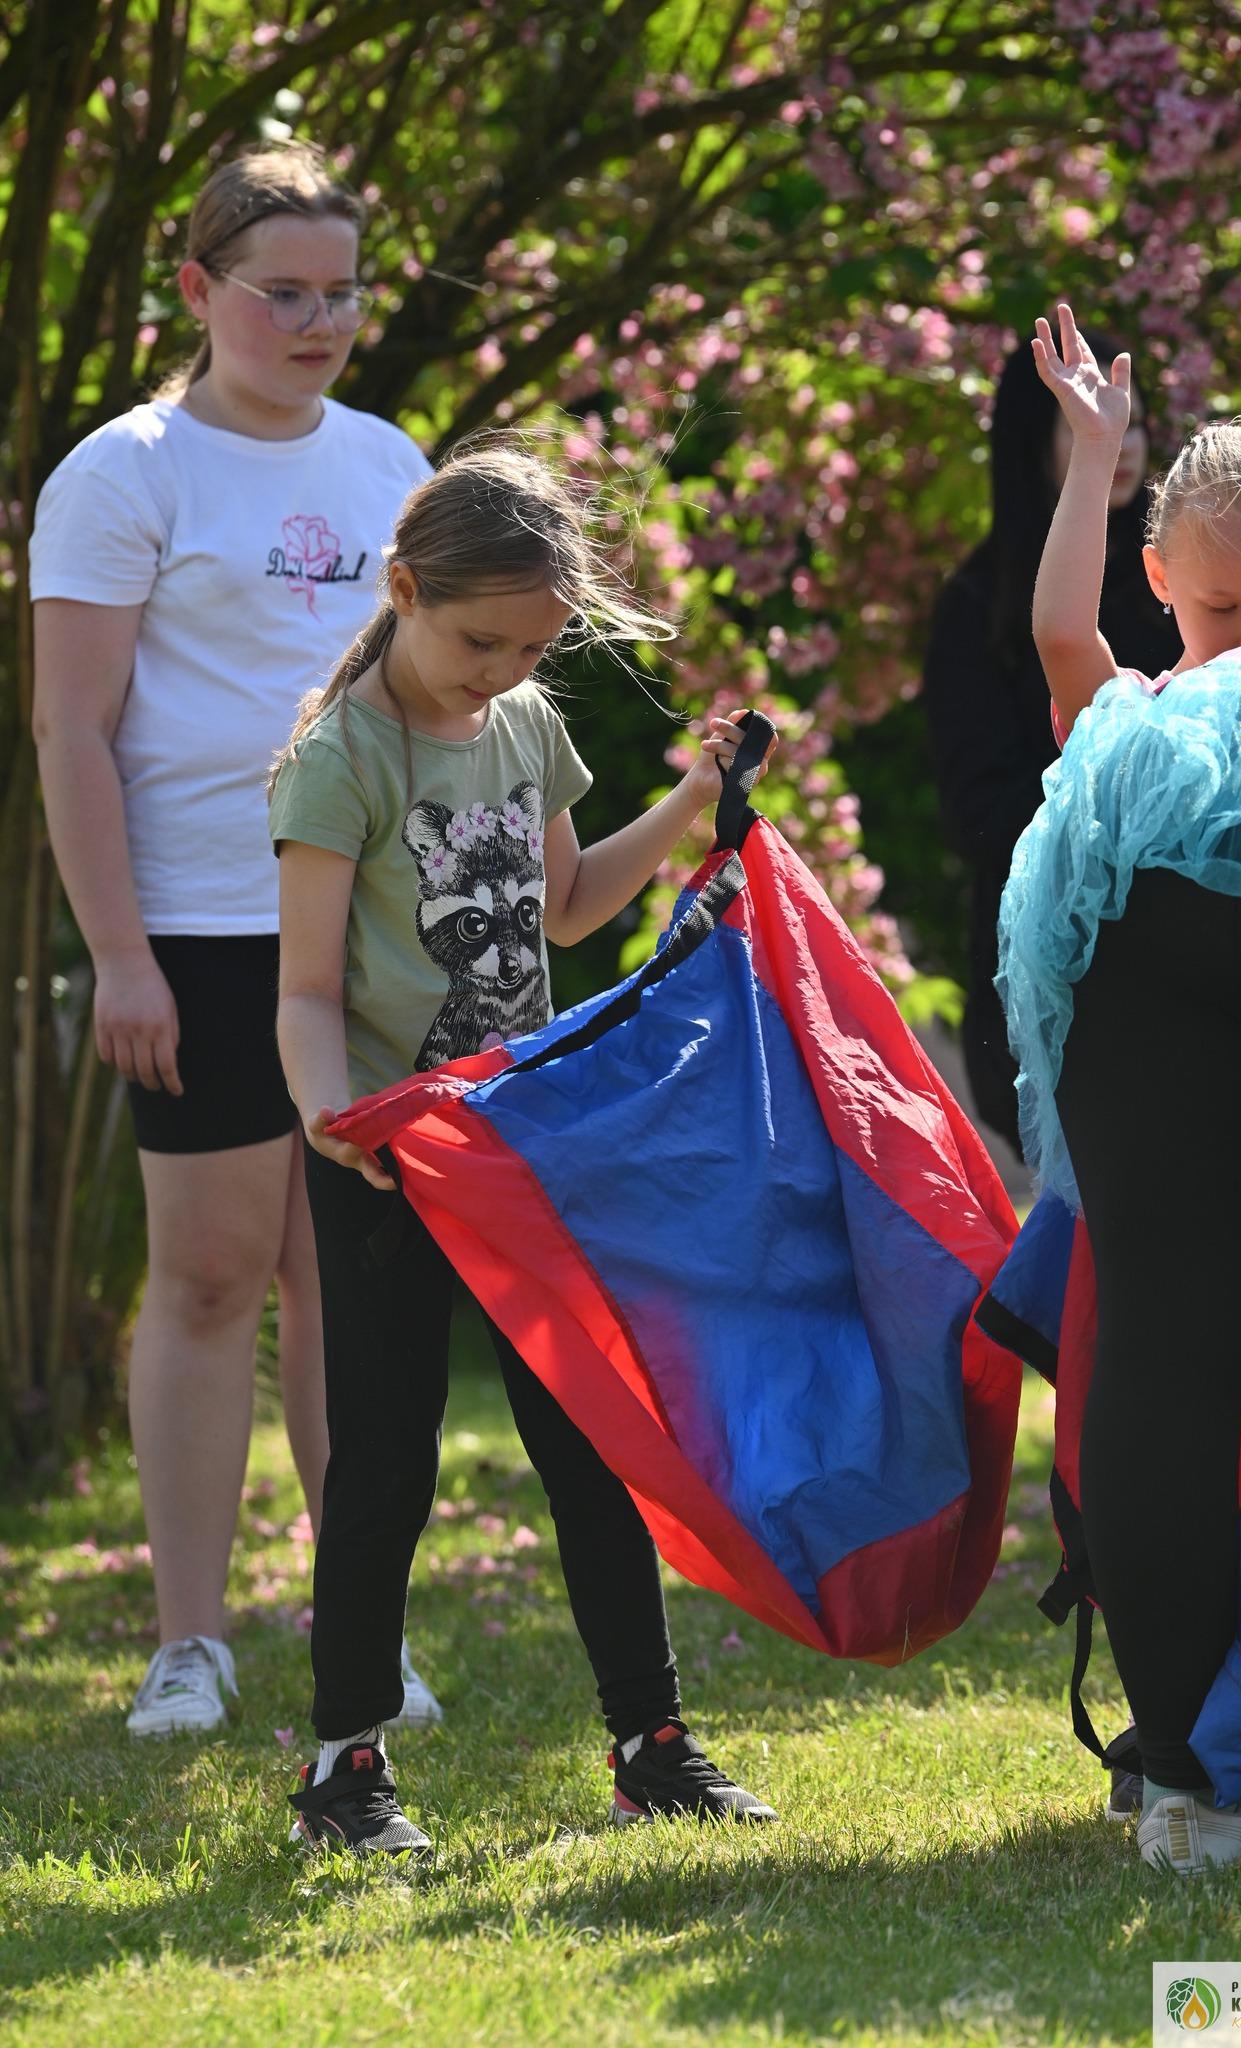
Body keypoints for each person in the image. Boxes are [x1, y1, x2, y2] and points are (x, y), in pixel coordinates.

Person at [268, 445, 780, 1855]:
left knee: (589, 1443)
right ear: (402, 591)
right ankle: (344, 1767)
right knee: (386, 1463)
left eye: (532, 649)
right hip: (383, 1156)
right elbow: (304, 993)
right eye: (477, 643)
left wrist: (689, 803)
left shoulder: (524, 724)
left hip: (520, 1148)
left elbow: (564, 908)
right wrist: (326, 1116)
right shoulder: (338, 760)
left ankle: (650, 1745)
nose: (499, 673)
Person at [30, 142, 443, 1736]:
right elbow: (73, 731)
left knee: (343, 1283)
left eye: (341, 294)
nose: (318, 323)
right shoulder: (123, 472)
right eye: (285, 294)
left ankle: (363, 1634)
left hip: (367, 934)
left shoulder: (388, 459)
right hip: (197, 934)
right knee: (207, 1278)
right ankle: (188, 1645)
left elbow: (434, 699)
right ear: (200, 290)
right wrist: (122, 955)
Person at [1004, 301, 1241, 1871]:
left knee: (1161, 1348)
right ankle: (1184, 1780)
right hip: (1151, 950)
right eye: (1223, 607)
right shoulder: (1137, 719)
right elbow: (1055, 635)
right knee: (1162, 1347)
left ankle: (1189, 1788)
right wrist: (1089, 463)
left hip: (1137, 958)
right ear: (1158, 581)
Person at [922, 329, 1179, 1155]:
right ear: (1032, 439)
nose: (1121, 440)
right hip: (1050, 967)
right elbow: (979, 815)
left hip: (1193, 961)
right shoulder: (976, 608)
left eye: (1133, 417)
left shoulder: (1189, 583)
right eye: (1086, 420)